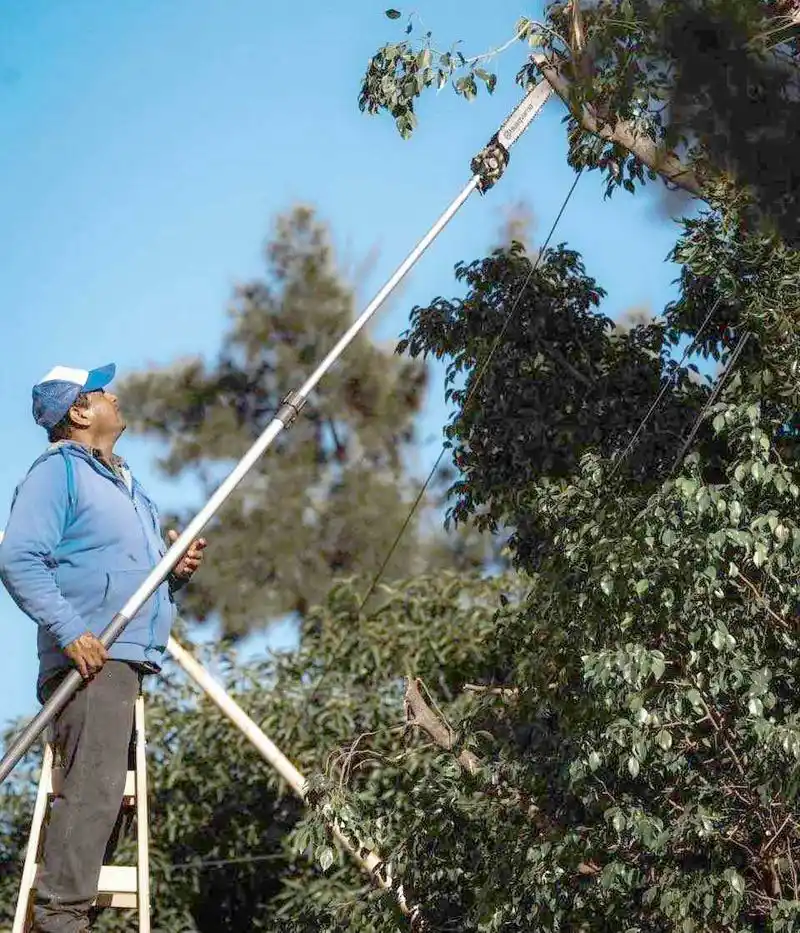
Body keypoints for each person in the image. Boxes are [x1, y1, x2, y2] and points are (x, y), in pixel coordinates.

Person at [0, 363, 207, 932]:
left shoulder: (126, 483)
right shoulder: (57, 474)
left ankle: (70, 907)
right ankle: (61, 916)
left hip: (127, 656)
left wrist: (174, 574)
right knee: (93, 788)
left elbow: (127, 575)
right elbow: (19, 558)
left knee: (111, 793)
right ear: (79, 411)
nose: (114, 394)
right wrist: (71, 631)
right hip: (93, 657)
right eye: (100, 390)